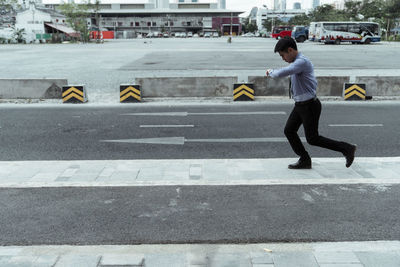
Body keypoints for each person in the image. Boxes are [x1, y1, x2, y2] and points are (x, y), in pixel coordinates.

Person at [266, 37, 357, 169]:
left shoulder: (301, 62)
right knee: (289, 131)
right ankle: (304, 159)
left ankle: (347, 148)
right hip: (300, 105)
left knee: (313, 138)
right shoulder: (297, 62)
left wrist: (270, 71)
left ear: (290, 50)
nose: (283, 58)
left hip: (309, 105)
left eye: (283, 55)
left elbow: (281, 73)